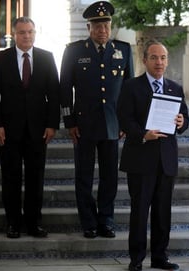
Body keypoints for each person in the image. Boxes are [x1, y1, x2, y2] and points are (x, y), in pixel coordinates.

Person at [59, 1, 134, 238]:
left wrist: (125, 122)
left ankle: (106, 220)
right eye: (98, 26)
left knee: (110, 177)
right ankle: (88, 222)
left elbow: (129, 89)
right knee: (84, 176)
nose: (103, 30)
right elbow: (64, 89)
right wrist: (70, 122)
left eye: (106, 25)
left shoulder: (123, 49)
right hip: (84, 125)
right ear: (89, 27)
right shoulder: (74, 50)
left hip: (112, 124)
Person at [117, 40, 189, 271]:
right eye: (155, 58)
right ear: (145, 59)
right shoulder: (131, 87)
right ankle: (136, 259)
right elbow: (124, 118)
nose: (159, 62)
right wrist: (142, 134)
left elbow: (184, 119)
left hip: (166, 160)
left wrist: (181, 122)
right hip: (140, 158)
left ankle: (160, 257)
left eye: (163, 58)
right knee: (139, 211)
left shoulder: (174, 88)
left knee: (162, 212)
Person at [0, 17, 60, 238]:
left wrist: (52, 124)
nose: (27, 36)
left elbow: (54, 94)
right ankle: (13, 223)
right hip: (8, 130)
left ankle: (33, 223)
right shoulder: (1, 59)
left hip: (38, 130)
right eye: (22, 32)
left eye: (30, 32)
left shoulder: (47, 58)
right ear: (14, 35)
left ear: (35, 33)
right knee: (11, 177)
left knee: (35, 178)